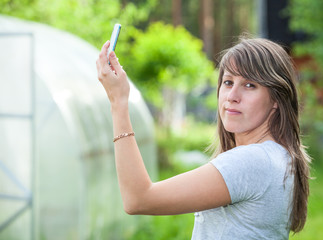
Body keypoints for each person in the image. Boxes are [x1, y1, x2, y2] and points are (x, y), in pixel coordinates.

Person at [96, 36, 311, 239]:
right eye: (228, 82)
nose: (232, 96)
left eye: (249, 85)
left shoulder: (252, 161)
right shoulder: (279, 155)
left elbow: (138, 199)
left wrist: (118, 102)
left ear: (276, 99)